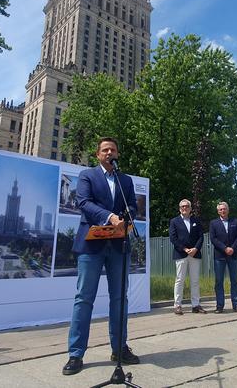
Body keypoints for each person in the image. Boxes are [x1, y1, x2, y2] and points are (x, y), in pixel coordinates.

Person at [62, 137, 138, 376]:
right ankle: (76, 354)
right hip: (91, 245)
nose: (109, 152)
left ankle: (119, 348)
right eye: (105, 150)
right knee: (84, 298)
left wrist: (127, 216)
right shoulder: (87, 175)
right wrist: (110, 217)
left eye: (113, 150)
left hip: (118, 245)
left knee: (120, 299)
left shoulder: (125, 180)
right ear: (98, 155)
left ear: (117, 154)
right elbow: (84, 202)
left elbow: (133, 205)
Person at [168, 199, 206, 315]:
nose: (185, 208)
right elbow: (173, 238)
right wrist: (184, 249)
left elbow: (201, 236)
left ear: (190, 208)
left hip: (195, 254)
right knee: (180, 280)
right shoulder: (174, 221)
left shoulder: (196, 220)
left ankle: (195, 305)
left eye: (187, 206)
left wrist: (195, 249)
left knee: (195, 280)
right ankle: (177, 305)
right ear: (180, 208)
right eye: (182, 206)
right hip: (181, 254)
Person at [209, 201, 237, 314]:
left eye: (224, 209)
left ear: (228, 210)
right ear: (218, 211)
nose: (223, 211)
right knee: (219, 281)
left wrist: (232, 248)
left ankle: (236, 305)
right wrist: (225, 248)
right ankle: (220, 306)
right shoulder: (213, 223)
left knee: (234, 281)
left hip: (233, 255)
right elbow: (213, 239)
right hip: (219, 256)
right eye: (220, 209)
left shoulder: (235, 221)